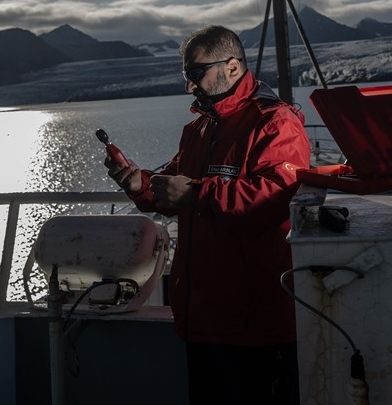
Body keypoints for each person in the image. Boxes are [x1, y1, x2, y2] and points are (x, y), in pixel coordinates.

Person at [105, 25, 310, 405]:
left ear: (232, 67)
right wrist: (139, 183)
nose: (190, 86)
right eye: (187, 76)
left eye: (196, 74)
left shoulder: (274, 122)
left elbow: (277, 197)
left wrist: (197, 193)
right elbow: (174, 188)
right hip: (204, 320)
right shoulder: (200, 128)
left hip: (255, 324)